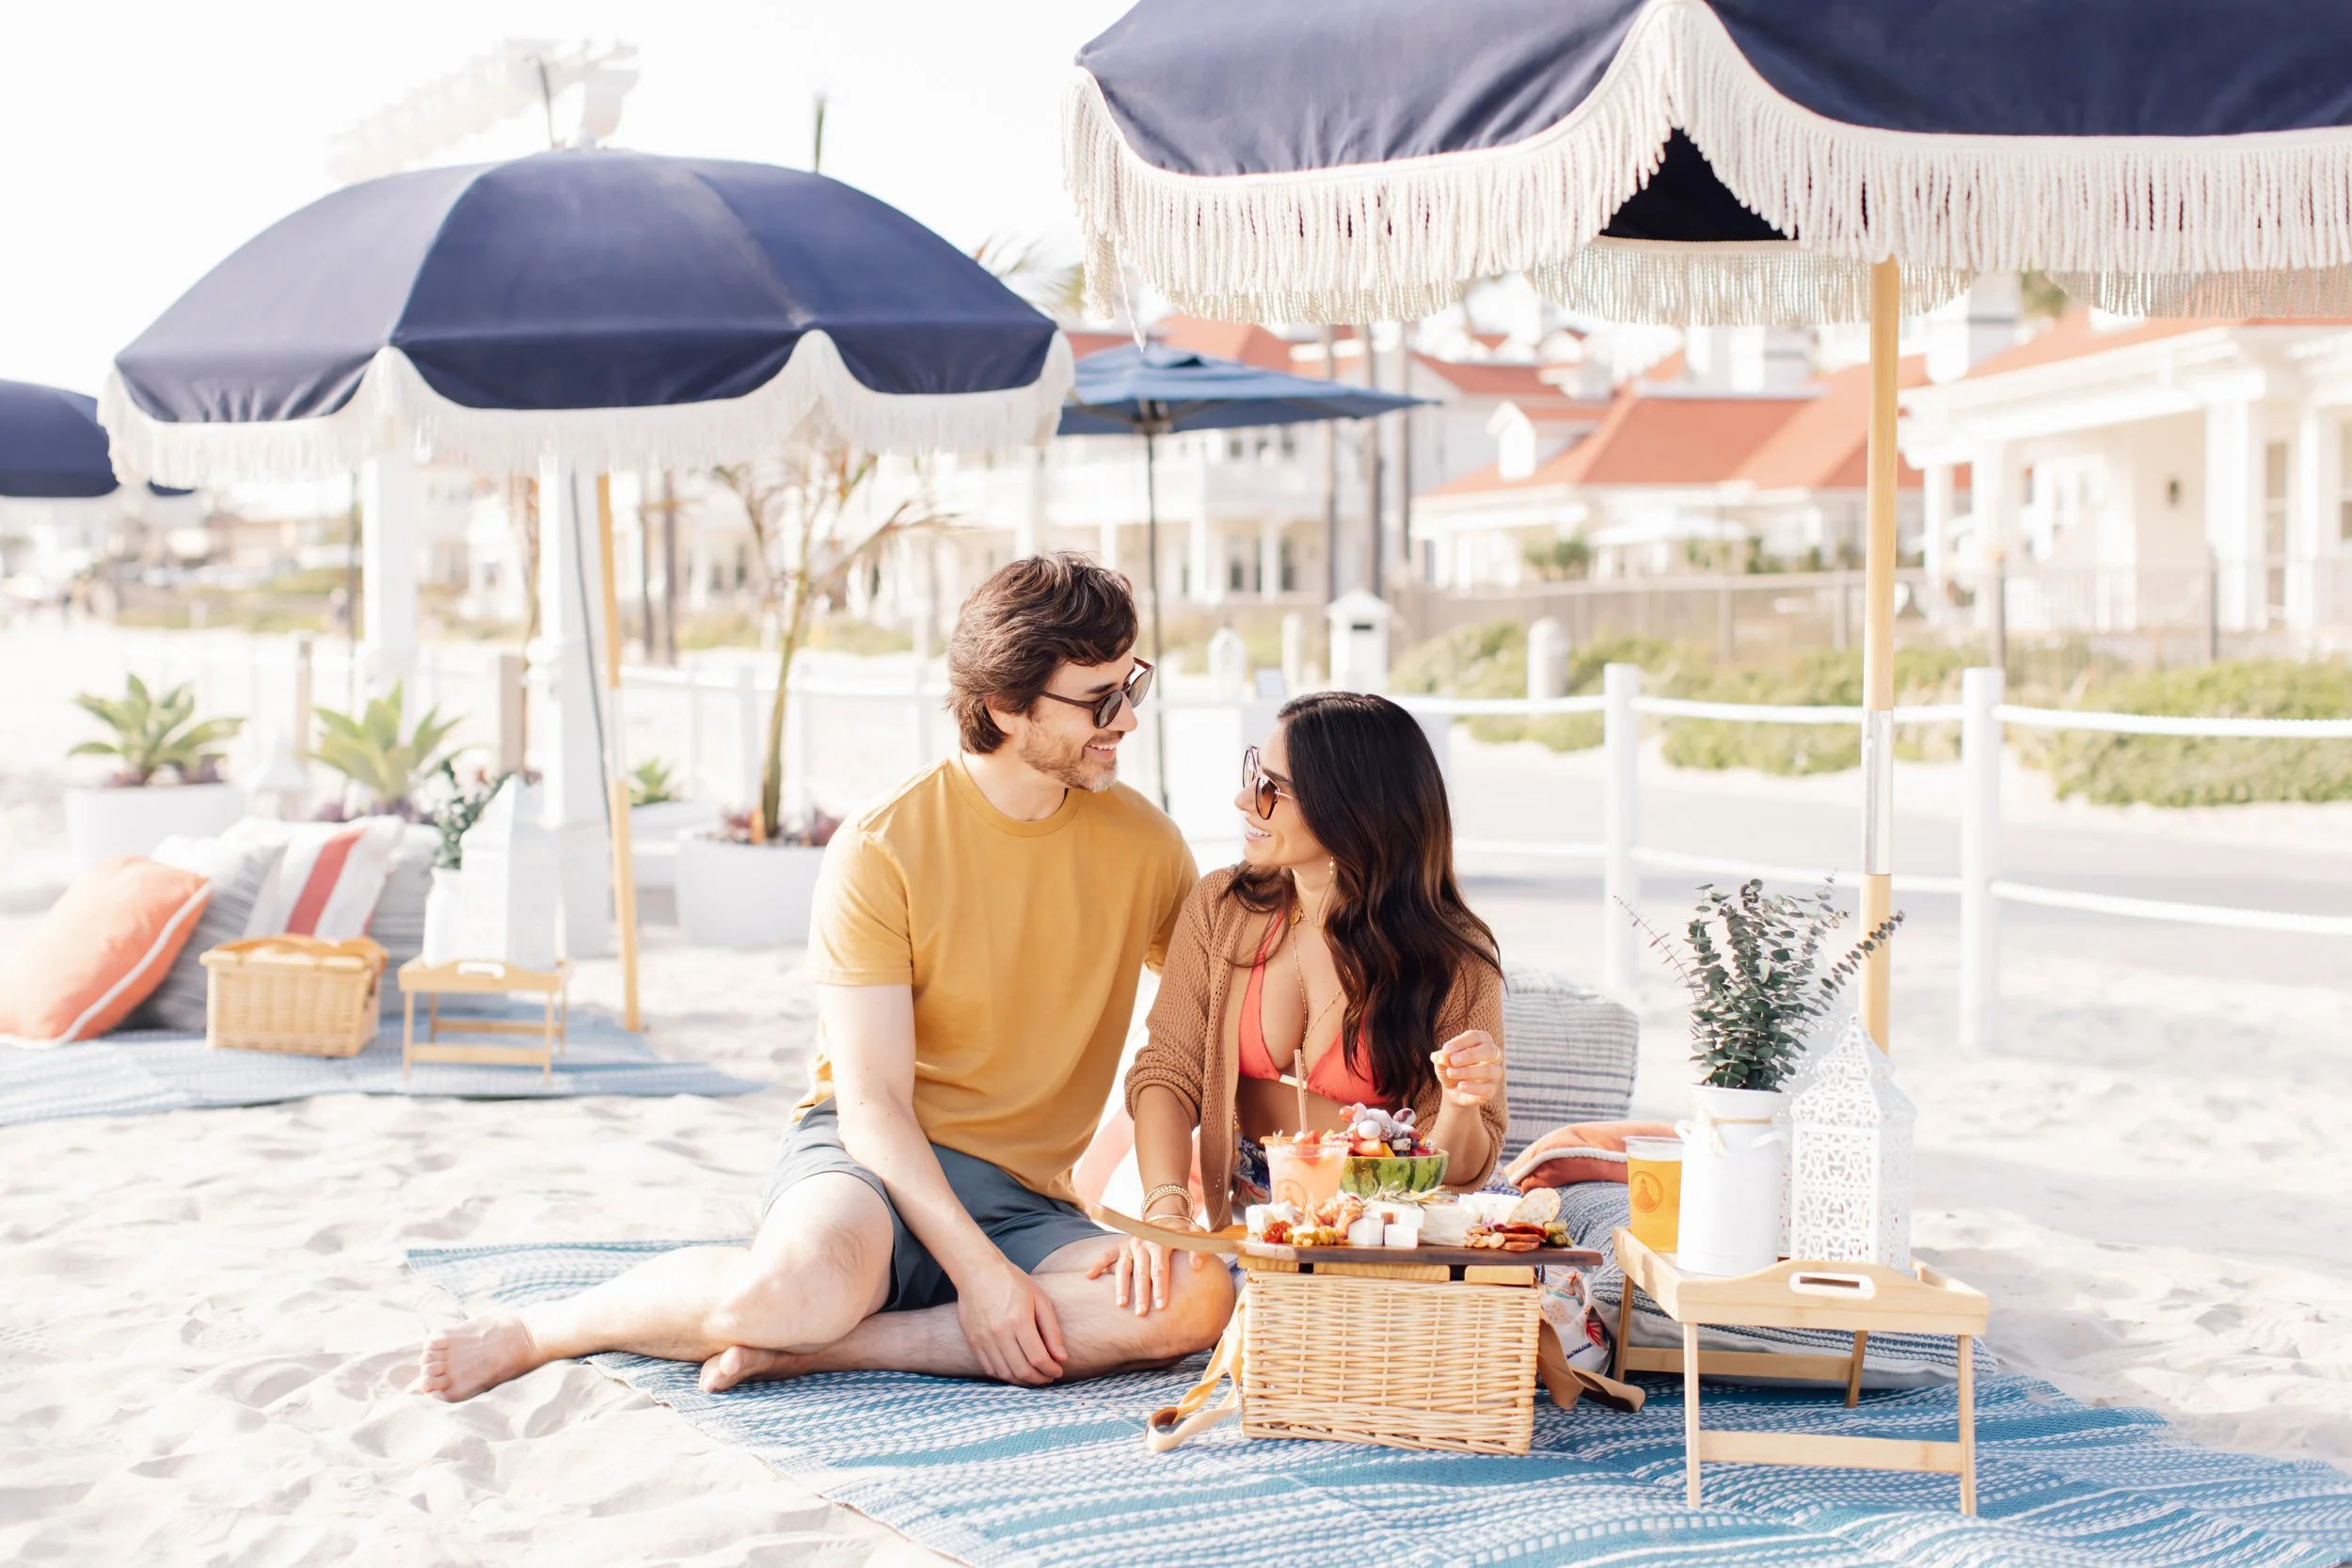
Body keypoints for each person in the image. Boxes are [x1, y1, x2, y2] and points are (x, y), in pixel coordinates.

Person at [418, 553, 1226, 1400]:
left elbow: (1199, 1028)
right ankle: (544, 1328)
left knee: (1194, 1297)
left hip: (1025, 1202)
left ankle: (829, 1347)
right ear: (1003, 705)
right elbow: (872, 1106)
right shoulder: (883, 845)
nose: (1128, 718)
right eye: (1099, 699)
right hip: (870, 1169)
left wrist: (1154, 1200)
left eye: (1131, 683)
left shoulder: (1148, 845)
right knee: (785, 1295)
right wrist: (981, 1278)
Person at [1107, 691, 1508, 1307]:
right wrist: (1165, 1208)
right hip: (1250, 1216)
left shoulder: (1455, 959)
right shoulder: (1221, 907)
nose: (1245, 799)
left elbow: (1455, 1171)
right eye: (1254, 772)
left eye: (1273, 788)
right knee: (1170, 1296)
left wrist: (1460, 1102)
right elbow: (1167, 1071)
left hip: (1382, 1231)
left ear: (1349, 810)